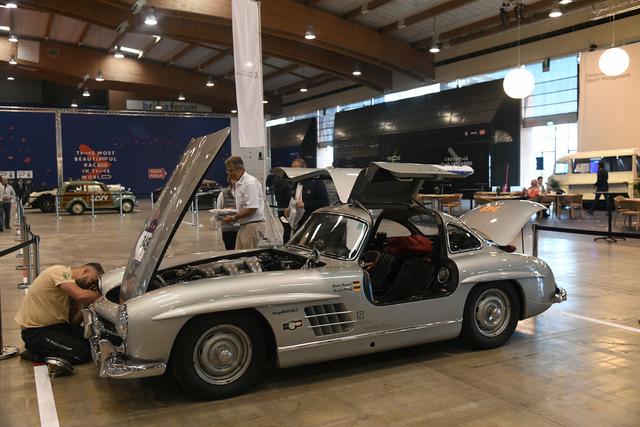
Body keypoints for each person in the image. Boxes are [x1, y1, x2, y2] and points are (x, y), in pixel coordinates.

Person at [14, 263, 104, 365]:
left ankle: (49, 349)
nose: (91, 285)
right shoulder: (60, 272)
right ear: (85, 271)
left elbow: (73, 323)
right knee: (80, 353)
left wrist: (85, 304)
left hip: (58, 327)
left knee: (94, 342)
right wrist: (102, 295)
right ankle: (36, 352)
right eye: (93, 280)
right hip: (36, 332)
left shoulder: (70, 288)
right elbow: (79, 295)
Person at [223, 156, 265, 249]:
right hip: (243, 225)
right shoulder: (239, 184)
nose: (229, 173)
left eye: (231, 170)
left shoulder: (249, 183)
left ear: (240, 169)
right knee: (239, 255)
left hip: (252, 225)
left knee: (249, 256)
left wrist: (233, 217)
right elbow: (243, 206)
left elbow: (252, 208)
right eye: (227, 170)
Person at [284, 158, 329, 231]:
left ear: (304, 168)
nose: (293, 171)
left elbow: (324, 202)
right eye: (292, 168)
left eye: (296, 168)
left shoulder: (316, 183)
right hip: (297, 221)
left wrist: (305, 205)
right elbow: (293, 201)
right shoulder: (294, 184)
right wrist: (288, 209)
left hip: (311, 222)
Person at [216, 178, 238, 250]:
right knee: (230, 250)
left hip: (242, 228)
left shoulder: (244, 192)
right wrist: (227, 214)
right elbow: (218, 212)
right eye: (233, 178)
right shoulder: (223, 194)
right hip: (228, 229)